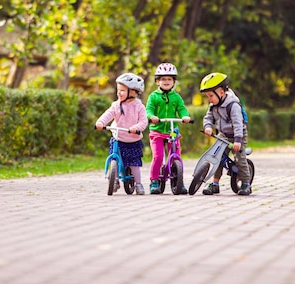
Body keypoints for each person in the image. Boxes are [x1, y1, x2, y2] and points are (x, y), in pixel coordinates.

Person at [95, 73, 148, 195]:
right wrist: (100, 122)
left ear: (134, 92)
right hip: (118, 137)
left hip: (132, 139)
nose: (119, 93)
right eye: (118, 90)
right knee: (114, 157)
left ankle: (139, 183)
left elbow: (143, 121)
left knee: (134, 163)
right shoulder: (116, 105)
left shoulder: (138, 106)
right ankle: (114, 179)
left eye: (122, 90)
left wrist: (137, 127)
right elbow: (108, 114)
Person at [199, 72, 251, 196]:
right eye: (207, 96)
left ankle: (246, 183)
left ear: (221, 92)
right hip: (223, 134)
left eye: (211, 95)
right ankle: (215, 184)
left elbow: (238, 124)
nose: (209, 99)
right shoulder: (213, 105)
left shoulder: (233, 105)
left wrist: (238, 140)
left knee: (240, 159)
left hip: (238, 135)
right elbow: (208, 118)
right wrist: (207, 127)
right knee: (217, 157)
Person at [146, 63, 191, 195]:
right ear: (157, 81)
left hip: (172, 131)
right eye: (163, 79)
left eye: (169, 79)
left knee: (176, 156)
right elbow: (148, 109)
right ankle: (154, 181)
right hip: (157, 131)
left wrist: (185, 116)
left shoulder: (176, 97)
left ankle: (179, 180)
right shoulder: (153, 96)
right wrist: (151, 116)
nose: (166, 82)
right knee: (158, 156)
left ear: (174, 82)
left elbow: (182, 109)